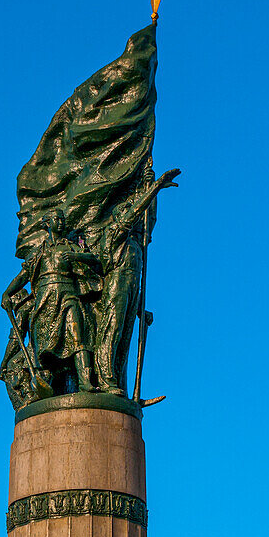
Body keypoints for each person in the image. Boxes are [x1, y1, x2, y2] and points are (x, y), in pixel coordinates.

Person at [94, 166, 180, 395]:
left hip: (131, 288)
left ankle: (117, 382)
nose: (129, 213)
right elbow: (135, 212)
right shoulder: (114, 233)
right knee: (112, 329)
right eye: (125, 211)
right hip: (116, 286)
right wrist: (154, 187)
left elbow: (147, 220)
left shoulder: (136, 245)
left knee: (125, 337)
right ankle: (105, 378)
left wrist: (142, 308)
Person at [1, 210, 101, 393]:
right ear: (47, 223)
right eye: (57, 219)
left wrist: (76, 256)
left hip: (68, 293)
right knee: (44, 344)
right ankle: (45, 384)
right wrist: (7, 293)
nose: (61, 222)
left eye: (63, 219)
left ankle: (85, 381)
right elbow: (24, 276)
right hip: (45, 298)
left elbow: (93, 259)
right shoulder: (39, 251)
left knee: (78, 336)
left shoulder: (70, 246)